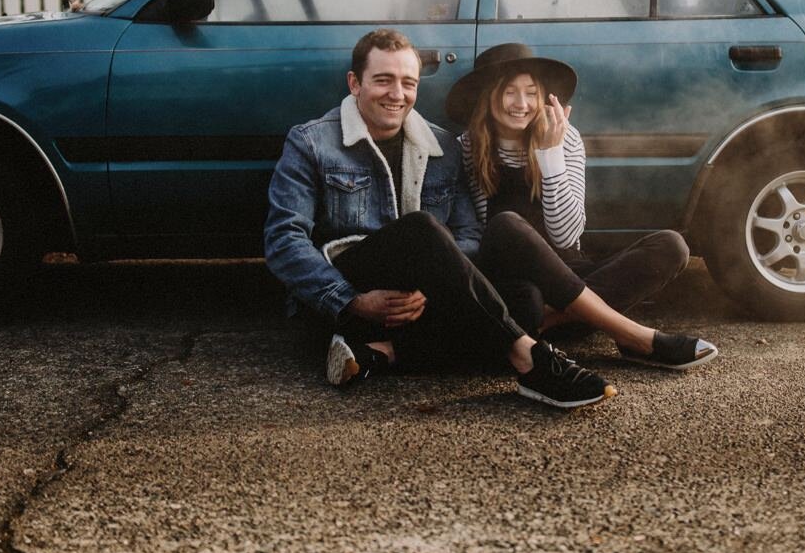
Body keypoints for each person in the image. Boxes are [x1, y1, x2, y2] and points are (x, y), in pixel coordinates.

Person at [263, 28, 617, 409]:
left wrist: (432, 285)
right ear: (355, 83)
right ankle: (528, 358)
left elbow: (468, 234)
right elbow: (284, 240)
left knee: (527, 303)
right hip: (348, 290)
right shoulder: (311, 142)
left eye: (407, 83)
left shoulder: (442, 147)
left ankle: (375, 353)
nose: (397, 94)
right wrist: (352, 301)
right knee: (422, 228)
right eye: (383, 81)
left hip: (417, 301)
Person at [447, 43, 716, 371]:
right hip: (511, 279)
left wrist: (550, 153)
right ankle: (629, 334)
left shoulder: (567, 138)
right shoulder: (467, 147)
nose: (521, 104)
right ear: (489, 97)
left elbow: (565, 236)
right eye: (509, 92)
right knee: (509, 228)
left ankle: (550, 322)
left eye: (531, 93)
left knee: (671, 246)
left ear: (544, 97)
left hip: (568, 271)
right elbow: (475, 236)